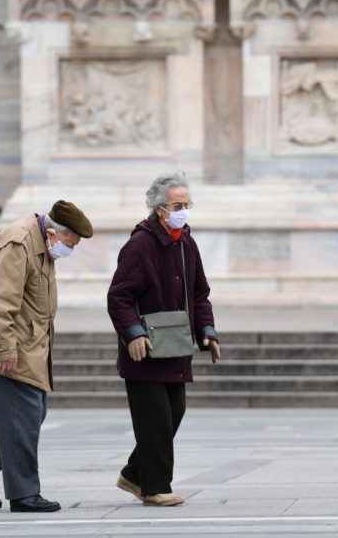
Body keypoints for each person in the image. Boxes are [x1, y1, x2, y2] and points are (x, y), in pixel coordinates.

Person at [0, 200, 93, 513]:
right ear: (57, 233)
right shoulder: (20, 242)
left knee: (28, 416)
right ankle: (24, 494)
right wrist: (5, 349)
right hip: (12, 349)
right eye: (71, 243)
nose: (71, 249)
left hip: (29, 347)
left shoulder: (41, 241)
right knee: (24, 419)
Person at [107, 171, 220, 507]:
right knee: (155, 419)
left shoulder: (186, 242)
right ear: (159, 209)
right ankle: (154, 487)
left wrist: (207, 331)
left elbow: (200, 294)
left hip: (177, 346)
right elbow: (119, 297)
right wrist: (132, 333)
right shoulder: (139, 245)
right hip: (146, 349)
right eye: (176, 205)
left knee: (174, 412)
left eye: (186, 204)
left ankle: (133, 474)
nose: (183, 210)